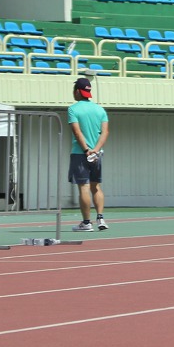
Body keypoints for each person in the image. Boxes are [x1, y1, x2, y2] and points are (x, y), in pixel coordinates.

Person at [68, 77, 110, 232]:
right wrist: (96, 150)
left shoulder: (73, 109)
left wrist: (86, 150)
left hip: (80, 154)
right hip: (97, 154)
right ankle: (100, 219)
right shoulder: (100, 110)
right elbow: (105, 132)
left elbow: (77, 132)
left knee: (84, 187)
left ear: (78, 92)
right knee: (96, 186)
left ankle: (86, 223)